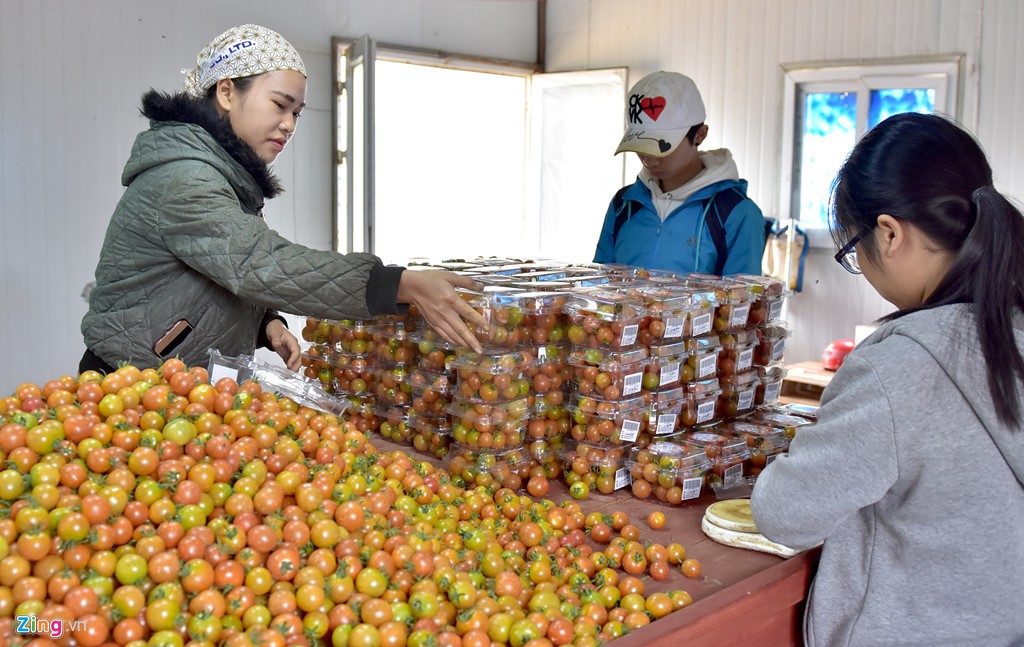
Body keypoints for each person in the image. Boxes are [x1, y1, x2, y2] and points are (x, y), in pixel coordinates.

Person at [751, 113, 1024, 646]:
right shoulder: (1010, 331)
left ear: (890, 233)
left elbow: (783, 513)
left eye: (853, 251)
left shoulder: (899, 368)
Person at [81, 24, 487, 375]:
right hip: (129, 385)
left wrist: (265, 324)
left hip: (175, 384)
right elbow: (260, 263)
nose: (289, 124)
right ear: (226, 92)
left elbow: (215, 270)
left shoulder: (221, 173)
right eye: (280, 105)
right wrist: (397, 283)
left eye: (298, 113)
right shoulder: (186, 179)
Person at [593, 71, 765, 275]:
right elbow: (600, 284)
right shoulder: (624, 204)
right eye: (641, 145)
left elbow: (743, 301)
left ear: (700, 134)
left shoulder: (736, 212)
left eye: (663, 147)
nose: (649, 158)